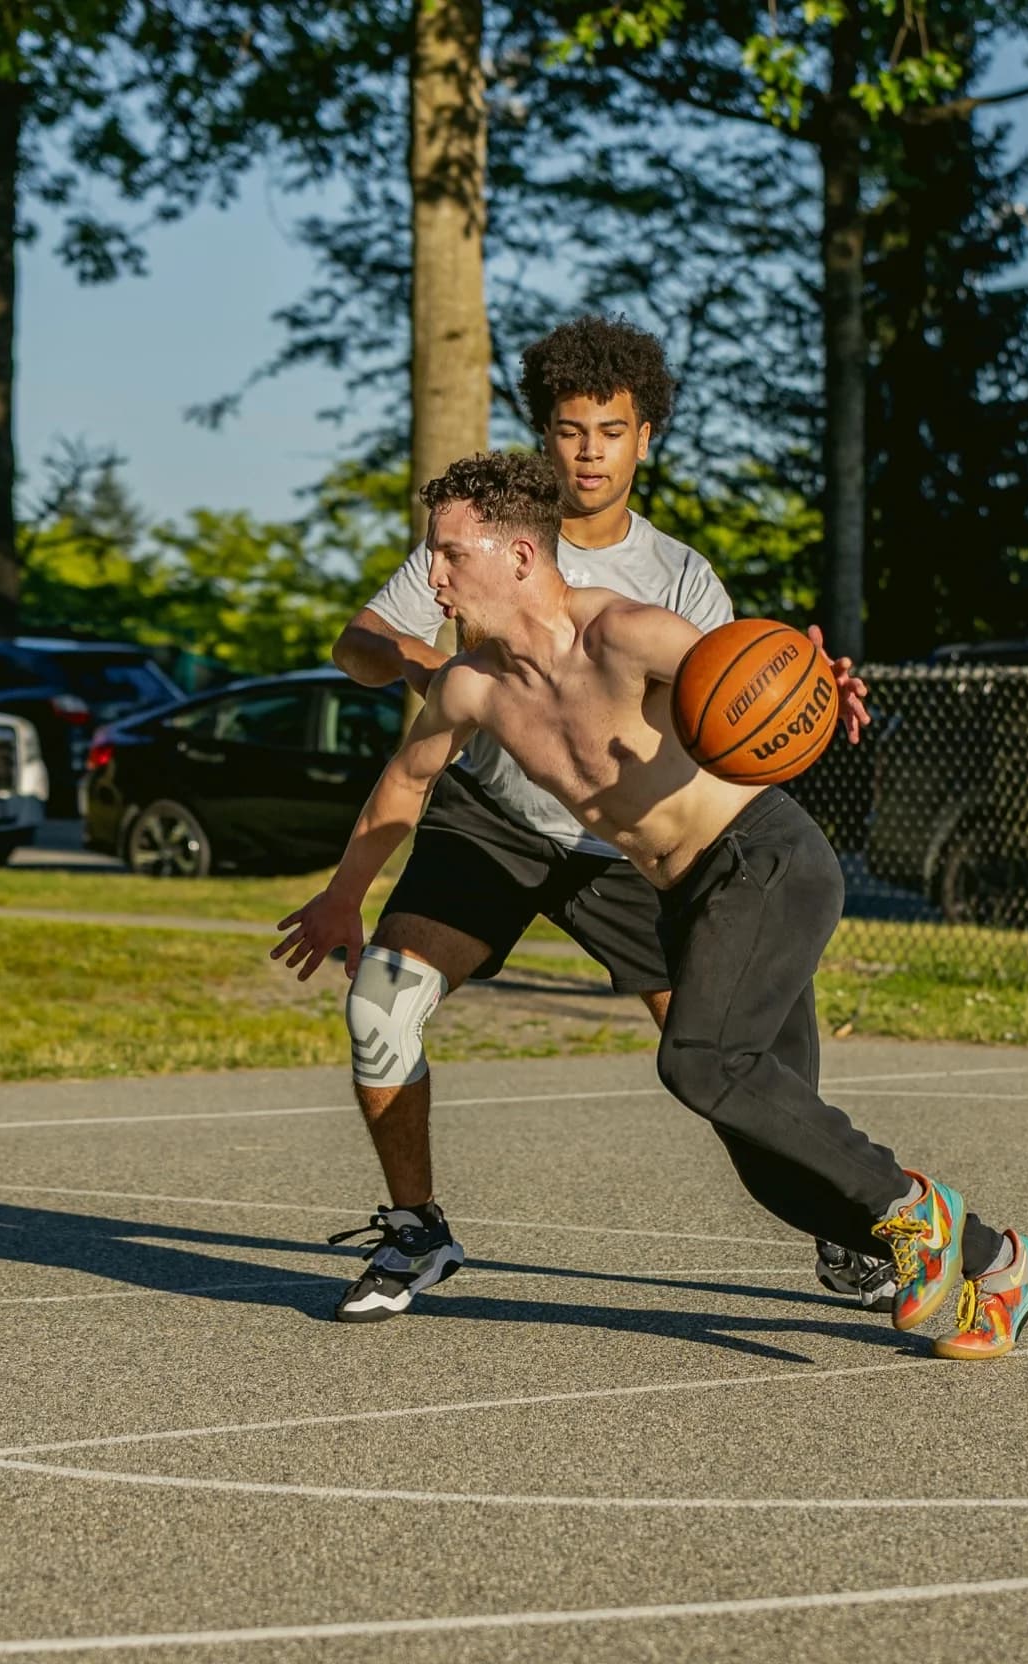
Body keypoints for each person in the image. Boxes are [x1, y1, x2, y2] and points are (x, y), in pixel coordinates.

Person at [275, 452, 1028, 1360]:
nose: (434, 576)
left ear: (522, 557)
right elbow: (404, 788)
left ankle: (916, 1213)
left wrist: (814, 681)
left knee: (698, 1062)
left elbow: (747, 670)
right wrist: (343, 895)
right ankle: (1003, 1262)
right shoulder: (471, 687)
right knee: (779, 1171)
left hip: (765, 861)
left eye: (451, 554)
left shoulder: (622, 633)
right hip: (688, 896)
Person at [321, 316, 892, 1321]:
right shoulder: (480, 543)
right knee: (382, 999)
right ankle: (415, 1229)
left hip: (626, 846)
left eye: (609, 430)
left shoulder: (674, 578)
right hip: (493, 818)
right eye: (569, 428)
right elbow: (358, 641)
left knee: (723, 1062)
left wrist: (805, 696)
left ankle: (849, 1227)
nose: (587, 451)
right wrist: (432, 667)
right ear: (544, 433)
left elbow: (737, 707)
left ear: (644, 438)